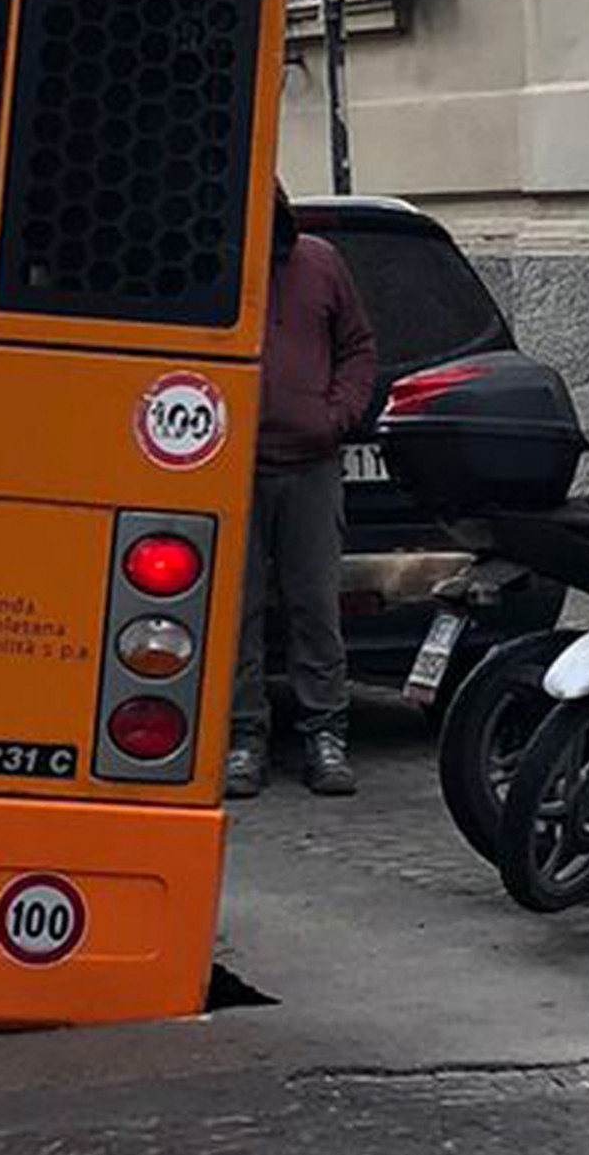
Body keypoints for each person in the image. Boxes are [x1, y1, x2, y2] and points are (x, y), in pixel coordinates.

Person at [228, 185, 378, 799]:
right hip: (232, 469)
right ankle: (244, 736)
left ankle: (325, 733)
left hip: (311, 464)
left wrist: (336, 414)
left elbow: (358, 348)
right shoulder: (220, 269)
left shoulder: (320, 262)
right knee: (240, 610)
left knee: (315, 605)